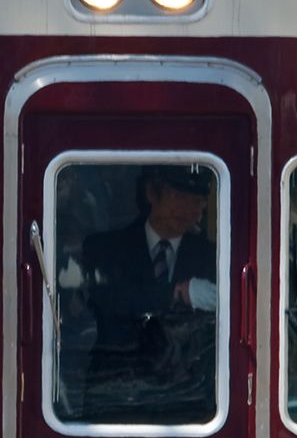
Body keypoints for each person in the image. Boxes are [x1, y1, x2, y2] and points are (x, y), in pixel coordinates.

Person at [75, 164, 218, 422]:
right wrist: (175, 293)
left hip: (187, 403)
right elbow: (107, 300)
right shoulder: (105, 248)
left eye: (198, 201)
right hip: (115, 399)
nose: (190, 210)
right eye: (180, 198)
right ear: (152, 193)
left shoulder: (213, 257)